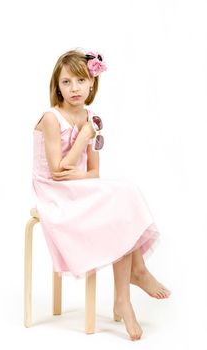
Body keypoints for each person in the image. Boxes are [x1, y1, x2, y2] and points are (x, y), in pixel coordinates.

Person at [32, 49, 171, 341]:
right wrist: (83, 136)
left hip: (79, 187)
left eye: (81, 81)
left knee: (125, 196)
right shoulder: (51, 118)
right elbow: (57, 170)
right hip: (55, 194)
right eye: (67, 82)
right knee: (121, 199)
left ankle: (127, 291)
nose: (75, 89)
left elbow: (94, 173)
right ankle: (137, 274)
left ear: (92, 83)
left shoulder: (91, 117)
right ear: (57, 85)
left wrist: (85, 140)